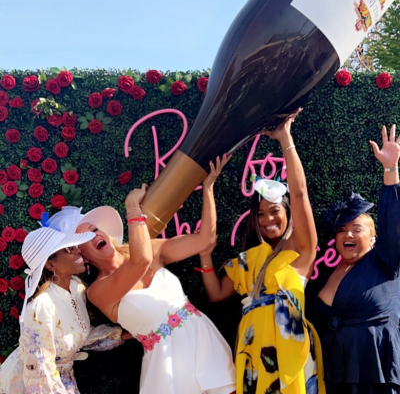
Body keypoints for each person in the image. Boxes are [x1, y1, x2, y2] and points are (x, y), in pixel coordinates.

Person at [51, 155, 236, 394]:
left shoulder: (148, 248)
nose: (96, 235)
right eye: (86, 237)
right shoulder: (98, 291)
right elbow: (141, 261)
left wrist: (208, 188)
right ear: (83, 255)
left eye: (95, 229)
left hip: (203, 340)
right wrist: (132, 208)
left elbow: (205, 240)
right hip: (167, 367)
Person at [196, 110, 325, 394]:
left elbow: (300, 192)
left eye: (275, 211)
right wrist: (205, 253)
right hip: (253, 353)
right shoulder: (250, 260)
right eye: (262, 214)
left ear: (288, 213)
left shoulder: (302, 251)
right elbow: (216, 294)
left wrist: (285, 139)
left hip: (291, 352)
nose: (268, 220)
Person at [313, 125, 400, 394]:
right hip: (336, 375)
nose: (347, 234)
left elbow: (393, 223)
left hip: (377, 372)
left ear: (374, 237)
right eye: (341, 230)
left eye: (356, 229)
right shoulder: (327, 273)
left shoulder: (385, 260)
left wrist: (390, 171)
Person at [0, 224, 127, 394]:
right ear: (51, 265)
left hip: (62, 379)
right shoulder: (41, 306)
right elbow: (40, 373)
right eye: (68, 249)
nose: (77, 250)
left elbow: (81, 335)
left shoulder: (77, 288)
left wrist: (130, 334)